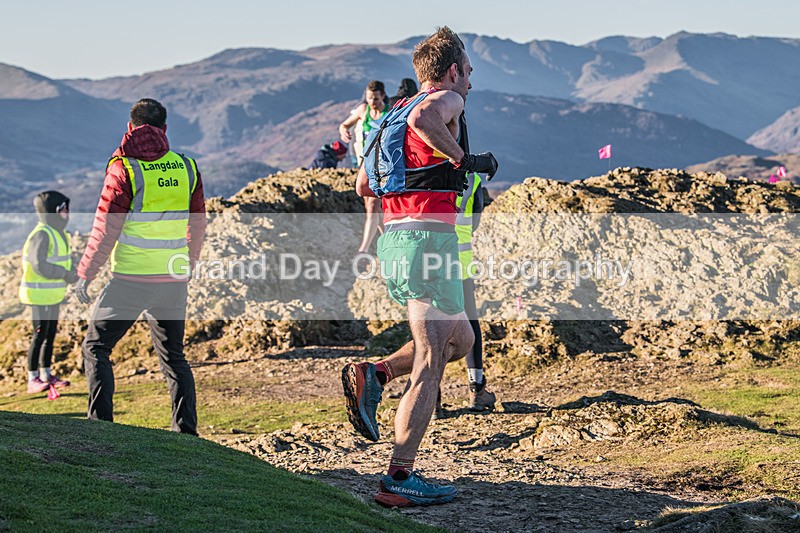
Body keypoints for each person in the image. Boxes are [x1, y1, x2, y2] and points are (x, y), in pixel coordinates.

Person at [342, 27, 498, 507]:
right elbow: (431, 117)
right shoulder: (443, 101)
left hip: (400, 240)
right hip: (429, 241)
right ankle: (399, 476)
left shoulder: (392, 113)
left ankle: (376, 373)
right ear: (452, 71)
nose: (470, 80)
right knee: (432, 357)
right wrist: (463, 159)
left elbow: (364, 185)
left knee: (462, 340)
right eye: (468, 71)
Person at [74, 98, 206, 435]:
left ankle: (101, 427)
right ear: (164, 129)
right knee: (174, 357)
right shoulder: (187, 166)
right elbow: (198, 223)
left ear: (131, 128)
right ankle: (186, 433)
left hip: (131, 280)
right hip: (173, 279)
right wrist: (188, 264)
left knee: (96, 347)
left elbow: (105, 228)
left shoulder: (124, 168)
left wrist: (86, 273)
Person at [19, 191, 78, 394]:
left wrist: (72, 273)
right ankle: (32, 379)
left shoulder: (57, 232)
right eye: (64, 209)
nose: (68, 213)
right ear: (53, 211)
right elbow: (38, 264)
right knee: (38, 335)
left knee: (49, 335)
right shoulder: (42, 233)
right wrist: (64, 274)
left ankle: (46, 374)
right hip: (38, 295)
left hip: (52, 295)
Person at [339, 81, 390, 253]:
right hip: (363, 164)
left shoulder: (389, 113)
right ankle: (388, 240)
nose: (372, 102)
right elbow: (344, 124)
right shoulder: (363, 111)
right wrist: (344, 131)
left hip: (381, 166)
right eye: (369, 98)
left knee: (373, 206)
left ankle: (364, 249)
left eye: (376, 98)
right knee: (371, 205)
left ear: (382, 96)